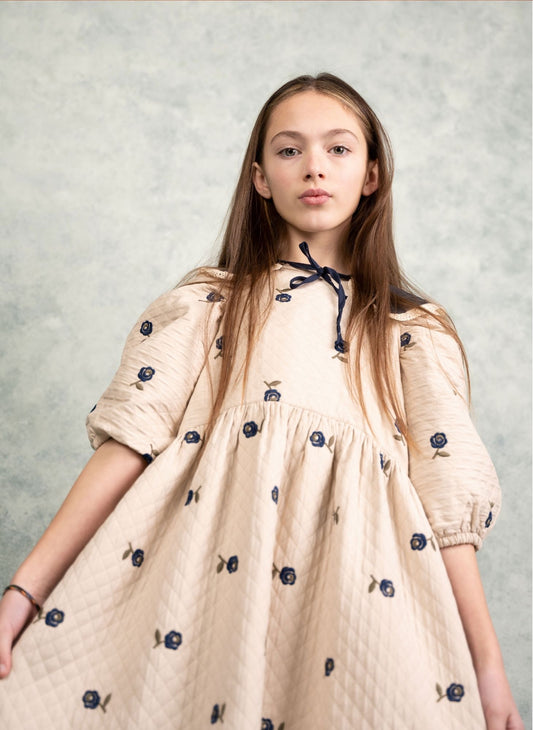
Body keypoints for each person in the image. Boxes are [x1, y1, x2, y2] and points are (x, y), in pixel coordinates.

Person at [0, 73, 523, 730]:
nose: (313, 167)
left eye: (338, 149)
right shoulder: (205, 305)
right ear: (259, 178)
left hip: (359, 602)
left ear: (370, 175)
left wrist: (488, 671)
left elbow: (448, 514)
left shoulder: (410, 332)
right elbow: (127, 445)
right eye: (288, 149)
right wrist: (23, 594)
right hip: (202, 596)